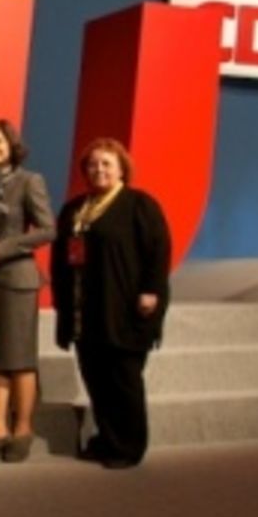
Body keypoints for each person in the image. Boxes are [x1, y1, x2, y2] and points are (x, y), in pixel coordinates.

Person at [52, 138, 171, 469]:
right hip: (86, 312)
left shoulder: (139, 205)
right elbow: (62, 258)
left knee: (123, 380)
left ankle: (128, 448)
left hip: (125, 310)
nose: (99, 170)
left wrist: (151, 290)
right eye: (93, 164)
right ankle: (106, 440)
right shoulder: (74, 209)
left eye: (106, 163)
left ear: (121, 169)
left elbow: (158, 251)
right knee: (97, 379)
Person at [0, 119, 55, 463]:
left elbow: (47, 230)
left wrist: (0, 250)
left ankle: (23, 429)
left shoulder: (29, 181)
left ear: (11, 145)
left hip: (18, 280)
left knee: (19, 358)